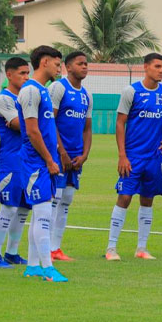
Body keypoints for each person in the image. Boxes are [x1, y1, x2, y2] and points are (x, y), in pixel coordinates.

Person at [105, 52, 162, 261]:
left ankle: (142, 248)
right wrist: (122, 155)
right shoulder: (132, 91)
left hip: (155, 158)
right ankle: (111, 248)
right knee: (125, 197)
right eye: (157, 66)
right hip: (133, 156)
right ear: (145, 67)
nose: (161, 71)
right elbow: (120, 123)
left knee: (148, 200)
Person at [17, 46, 68, 282]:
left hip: (44, 160)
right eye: (57, 64)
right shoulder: (29, 91)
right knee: (44, 213)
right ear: (45, 61)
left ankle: (34, 265)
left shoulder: (43, 91)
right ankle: (48, 268)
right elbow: (32, 130)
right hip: (35, 162)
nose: (60, 69)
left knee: (40, 214)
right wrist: (49, 159)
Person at [48, 50, 93, 261]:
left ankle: (56, 249)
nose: (84, 66)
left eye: (86, 63)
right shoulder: (58, 87)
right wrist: (61, 151)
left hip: (76, 157)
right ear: (68, 66)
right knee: (53, 201)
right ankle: (45, 248)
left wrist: (84, 154)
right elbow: (50, 122)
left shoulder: (87, 95)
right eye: (80, 63)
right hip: (59, 154)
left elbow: (87, 128)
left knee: (66, 200)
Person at [0, 57, 32, 268]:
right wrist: (27, 121)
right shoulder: (3, 99)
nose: (26, 77)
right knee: (8, 208)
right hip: (10, 160)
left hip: (27, 160)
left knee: (23, 209)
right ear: (9, 75)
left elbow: (28, 124)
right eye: (22, 73)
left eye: (27, 73)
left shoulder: (26, 98)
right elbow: (20, 126)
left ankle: (12, 253)